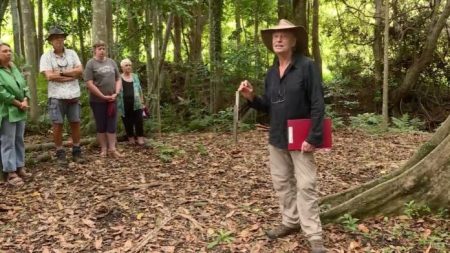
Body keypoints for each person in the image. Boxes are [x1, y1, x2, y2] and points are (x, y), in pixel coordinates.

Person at [238, 19, 327, 252]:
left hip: (301, 137)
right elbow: (269, 106)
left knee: (306, 185)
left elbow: (318, 103)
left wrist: (313, 136)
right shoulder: (270, 74)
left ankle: (314, 234)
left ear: (294, 41)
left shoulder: (307, 66)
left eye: (284, 35)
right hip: (277, 137)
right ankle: (290, 222)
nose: (278, 39)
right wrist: (251, 97)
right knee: (282, 184)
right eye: (275, 36)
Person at [39, 26, 84, 166]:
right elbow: (48, 76)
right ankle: (60, 152)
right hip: (56, 96)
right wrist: (70, 75)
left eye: (60, 37)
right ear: (51, 41)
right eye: (54, 38)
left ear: (64, 39)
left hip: (73, 94)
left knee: (75, 123)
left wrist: (61, 73)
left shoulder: (72, 54)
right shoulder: (46, 56)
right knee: (57, 125)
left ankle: (77, 150)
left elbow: (80, 71)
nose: (58, 40)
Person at [83, 41, 123, 158]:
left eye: (104, 48)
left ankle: (112, 149)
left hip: (112, 100)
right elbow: (89, 83)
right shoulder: (91, 63)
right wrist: (102, 96)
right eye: (100, 48)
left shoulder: (111, 62)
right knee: (101, 125)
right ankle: (104, 149)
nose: (102, 51)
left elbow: (118, 79)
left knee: (112, 124)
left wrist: (116, 92)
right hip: (97, 101)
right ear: (94, 50)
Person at [0, 42, 31, 186]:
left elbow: (24, 84)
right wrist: (19, 103)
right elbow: (2, 93)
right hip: (7, 111)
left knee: (19, 139)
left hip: (20, 110)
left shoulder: (13, 67)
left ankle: (20, 167)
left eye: (9, 50)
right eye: (5, 51)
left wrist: (25, 98)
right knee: (8, 141)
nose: (8, 53)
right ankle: (10, 172)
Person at [117, 59, 145, 145]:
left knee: (139, 121)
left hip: (137, 103)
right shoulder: (119, 78)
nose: (128, 67)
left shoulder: (135, 76)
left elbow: (140, 89)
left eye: (129, 65)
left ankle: (140, 138)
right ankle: (131, 139)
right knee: (127, 122)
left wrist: (142, 101)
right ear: (122, 67)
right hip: (124, 104)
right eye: (126, 65)